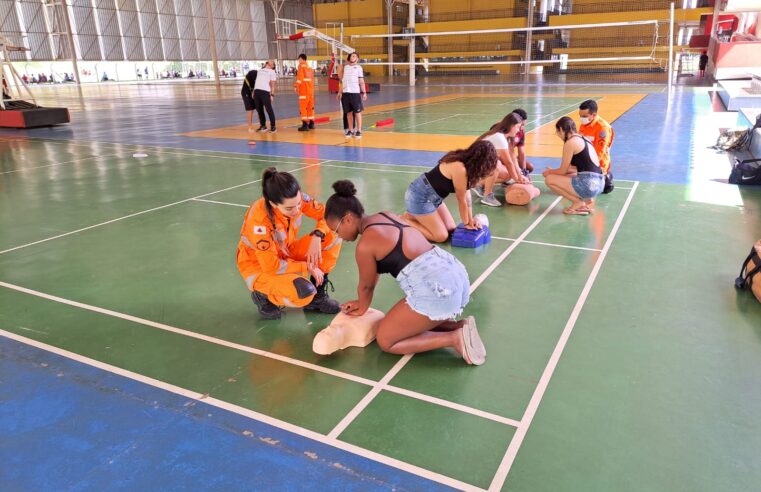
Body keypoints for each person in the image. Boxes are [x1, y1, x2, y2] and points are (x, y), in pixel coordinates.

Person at [325, 180, 486, 365]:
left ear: (348, 219)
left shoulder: (365, 246)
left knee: (386, 340)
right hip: (454, 275)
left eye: (336, 230)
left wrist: (362, 306)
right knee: (406, 320)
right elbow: (374, 270)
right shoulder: (385, 215)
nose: (338, 236)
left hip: (438, 289)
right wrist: (361, 302)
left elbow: (366, 286)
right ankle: (460, 325)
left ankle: (454, 338)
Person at [236, 168, 343, 320]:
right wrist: (307, 267)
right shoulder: (259, 222)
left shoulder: (296, 199)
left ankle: (317, 298)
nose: (297, 210)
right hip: (260, 267)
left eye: (299, 204)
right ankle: (263, 294)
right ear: (273, 203)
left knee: (334, 233)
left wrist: (318, 235)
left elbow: (328, 216)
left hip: (286, 251)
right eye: (289, 208)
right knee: (304, 292)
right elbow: (271, 266)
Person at [402, 140, 497, 243]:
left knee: (451, 229)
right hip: (420, 196)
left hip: (435, 199)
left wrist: (471, 220)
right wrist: (466, 224)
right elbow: (461, 201)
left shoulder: (470, 167)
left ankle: (414, 216)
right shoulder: (460, 168)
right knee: (441, 236)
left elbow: (467, 196)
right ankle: (403, 220)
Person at [542, 116, 605, 215]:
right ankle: (588, 199)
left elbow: (563, 170)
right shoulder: (584, 139)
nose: (558, 135)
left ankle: (578, 202)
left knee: (549, 179)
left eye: (558, 132)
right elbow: (572, 169)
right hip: (600, 183)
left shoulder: (570, 143)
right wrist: (555, 171)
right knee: (568, 174)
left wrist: (550, 172)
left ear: (562, 130)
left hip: (588, 185)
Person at [472, 113, 529, 207]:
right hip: (473, 165)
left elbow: (513, 158)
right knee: (496, 166)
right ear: (511, 126)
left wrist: (520, 175)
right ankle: (487, 196)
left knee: (507, 175)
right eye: (518, 127)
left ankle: (479, 184)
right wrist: (517, 179)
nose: (519, 130)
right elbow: (508, 162)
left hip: (482, 163)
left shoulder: (507, 137)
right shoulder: (499, 137)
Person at [578, 99, 613, 179]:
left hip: (598, 166)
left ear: (594, 115)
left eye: (584, 116)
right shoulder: (584, 125)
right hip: (585, 162)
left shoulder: (602, 128)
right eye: (580, 116)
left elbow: (599, 154)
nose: (581, 118)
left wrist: (584, 167)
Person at [336, 52, 367, 138]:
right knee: (348, 113)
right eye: (351, 56)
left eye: (354, 56)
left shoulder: (359, 68)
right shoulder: (345, 68)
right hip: (346, 93)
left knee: (357, 113)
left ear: (357, 59)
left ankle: (359, 131)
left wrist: (364, 92)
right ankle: (350, 130)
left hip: (355, 93)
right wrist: (340, 92)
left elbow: (361, 81)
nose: (352, 57)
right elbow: (342, 81)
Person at [254, 60, 278, 133]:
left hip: (265, 92)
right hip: (257, 91)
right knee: (259, 109)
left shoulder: (272, 72)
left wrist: (272, 94)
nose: (270, 61)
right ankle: (263, 126)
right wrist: (253, 91)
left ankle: (273, 127)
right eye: (269, 61)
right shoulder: (260, 70)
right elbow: (257, 81)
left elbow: (273, 84)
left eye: (272, 62)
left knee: (269, 109)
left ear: (273, 66)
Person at [294, 54, 315, 131]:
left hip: (304, 90)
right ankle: (311, 124)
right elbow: (311, 80)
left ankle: (305, 125)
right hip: (310, 90)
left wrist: (296, 86)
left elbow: (300, 78)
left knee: (303, 108)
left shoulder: (301, 66)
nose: (298, 61)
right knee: (310, 107)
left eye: (299, 59)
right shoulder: (309, 68)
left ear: (301, 59)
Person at [511, 108, 534, 176]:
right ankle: (482, 182)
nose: (522, 128)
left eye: (524, 125)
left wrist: (524, 171)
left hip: (510, 156)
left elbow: (522, 153)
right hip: (496, 158)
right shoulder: (502, 131)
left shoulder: (521, 132)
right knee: (511, 171)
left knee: (529, 167)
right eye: (521, 125)